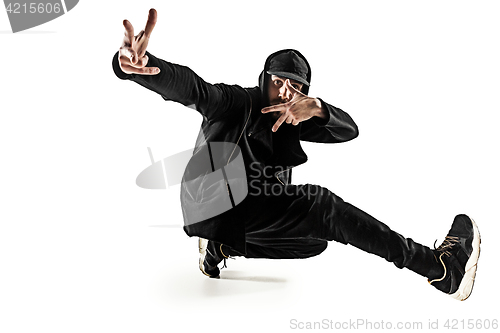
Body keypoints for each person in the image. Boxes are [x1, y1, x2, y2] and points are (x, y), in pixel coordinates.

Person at [112, 9, 481, 301]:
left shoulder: (296, 119)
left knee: (314, 241)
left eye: (296, 86)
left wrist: (319, 109)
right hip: (217, 201)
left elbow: (348, 131)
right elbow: (195, 89)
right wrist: (143, 68)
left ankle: (218, 247)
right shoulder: (236, 102)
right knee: (321, 207)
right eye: (277, 81)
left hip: (246, 211)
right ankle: (438, 269)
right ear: (264, 79)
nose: (285, 91)